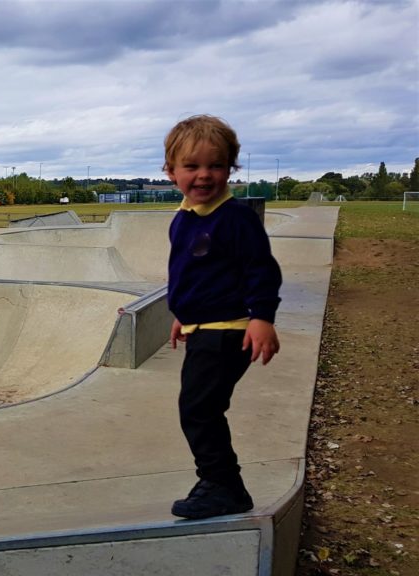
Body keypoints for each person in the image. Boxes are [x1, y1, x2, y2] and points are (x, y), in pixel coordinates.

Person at [164, 115, 282, 520]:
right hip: (203, 328)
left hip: (229, 331)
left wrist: (261, 317)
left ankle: (222, 485)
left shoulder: (236, 219)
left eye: (215, 166)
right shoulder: (183, 219)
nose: (203, 175)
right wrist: (184, 314)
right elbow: (191, 275)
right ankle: (219, 481)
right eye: (192, 167)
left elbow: (261, 270)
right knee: (199, 407)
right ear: (171, 172)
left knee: (199, 409)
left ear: (231, 169)